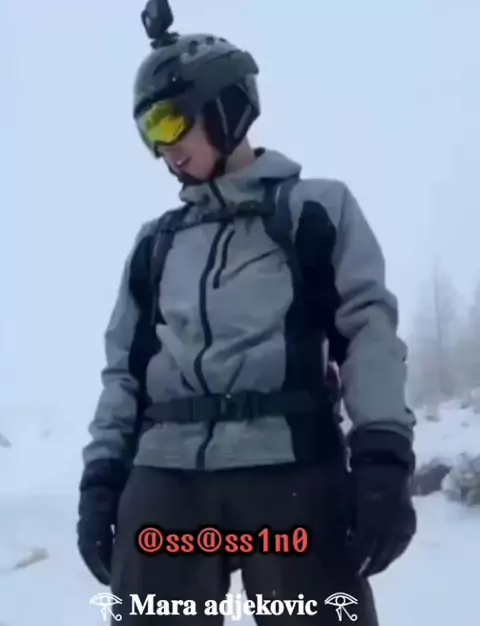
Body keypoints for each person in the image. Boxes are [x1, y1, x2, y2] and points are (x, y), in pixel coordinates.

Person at [76, 26, 417, 626]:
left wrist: (383, 454)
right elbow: (125, 371)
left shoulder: (312, 209)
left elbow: (366, 332)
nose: (164, 150)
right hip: (169, 476)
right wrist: (101, 480)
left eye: (169, 123)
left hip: (286, 466)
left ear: (224, 105)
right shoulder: (157, 244)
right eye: (150, 134)